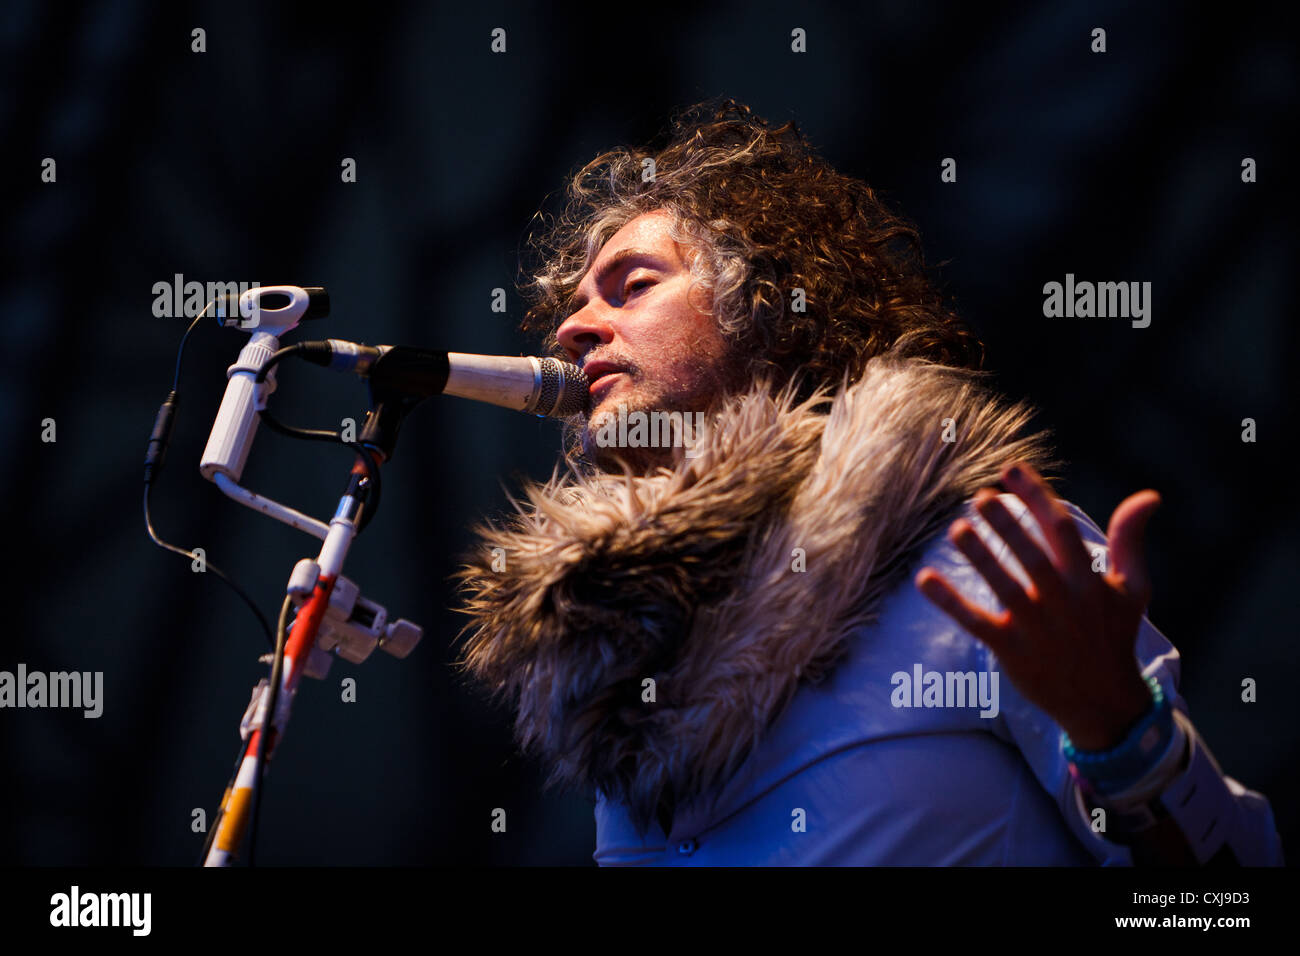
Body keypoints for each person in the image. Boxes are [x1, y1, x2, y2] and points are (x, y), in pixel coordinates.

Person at [452, 100, 1284, 866]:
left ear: (768, 314)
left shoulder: (979, 560)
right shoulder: (618, 675)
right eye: (571, 304)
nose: (571, 327)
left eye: (634, 285)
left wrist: (1122, 732)